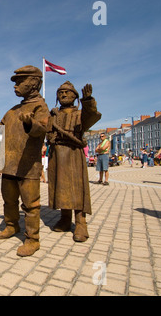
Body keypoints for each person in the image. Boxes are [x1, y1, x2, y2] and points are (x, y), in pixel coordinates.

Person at [0, 65, 50, 257]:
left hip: (28, 165)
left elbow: (42, 129)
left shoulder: (40, 107)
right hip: (8, 163)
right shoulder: (12, 110)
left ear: (34, 83)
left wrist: (30, 123)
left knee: (31, 204)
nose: (15, 86)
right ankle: (11, 225)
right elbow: (1, 129)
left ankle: (33, 239)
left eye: (19, 82)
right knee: (8, 200)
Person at [46, 82, 101, 243]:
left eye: (67, 92)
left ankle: (80, 222)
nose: (63, 94)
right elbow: (47, 132)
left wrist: (88, 100)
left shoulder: (80, 114)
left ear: (75, 97)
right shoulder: (53, 115)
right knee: (61, 186)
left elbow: (90, 117)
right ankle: (64, 218)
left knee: (76, 187)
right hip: (57, 154)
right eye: (60, 92)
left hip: (73, 154)